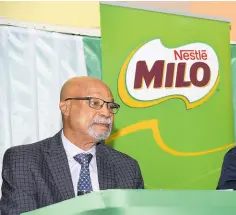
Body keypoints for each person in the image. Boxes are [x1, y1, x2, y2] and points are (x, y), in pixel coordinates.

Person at [0, 77, 144, 214]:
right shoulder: (24, 161)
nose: (107, 113)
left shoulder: (127, 168)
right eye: (95, 103)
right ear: (65, 107)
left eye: (111, 106)